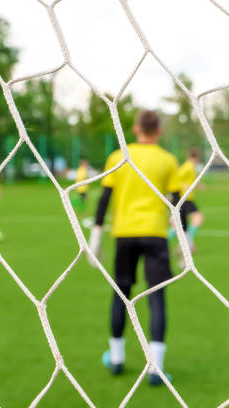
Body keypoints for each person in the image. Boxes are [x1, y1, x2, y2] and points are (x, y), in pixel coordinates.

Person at [88, 110, 179, 386]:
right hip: (155, 233)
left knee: (121, 294)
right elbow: (178, 202)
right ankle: (156, 369)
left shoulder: (119, 157)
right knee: (156, 296)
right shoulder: (167, 160)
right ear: (158, 131)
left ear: (137, 129)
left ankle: (116, 359)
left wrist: (95, 237)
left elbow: (105, 198)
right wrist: (184, 242)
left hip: (124, 234)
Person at [168, 148, 204, 253]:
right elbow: (177, 177)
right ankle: (186, 245)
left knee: (180, 225)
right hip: (184, 199)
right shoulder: (188, 167)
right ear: (195, 158)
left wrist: (197, 185)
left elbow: (189, 180)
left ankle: (187, 245)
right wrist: (175, 191)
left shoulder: (190, 167)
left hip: (186, 198)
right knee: (196, 219)